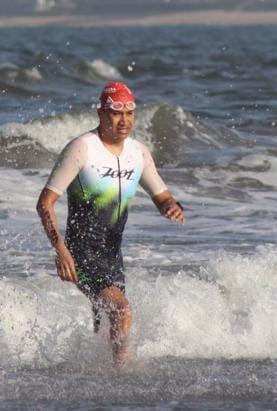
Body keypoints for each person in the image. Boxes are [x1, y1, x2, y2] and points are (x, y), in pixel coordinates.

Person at [36, 81, 185, 365]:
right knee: (121, 310)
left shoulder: (138, 152)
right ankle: (119, 378)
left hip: (112, 254)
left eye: (130, 113)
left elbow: (162, 195)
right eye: (116, 113)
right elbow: (44, 203)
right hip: (81, 252)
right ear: (101, 113)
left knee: (103, 323)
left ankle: (91, 375)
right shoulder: (82, 148)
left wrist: (171, 208)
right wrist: (61, 250)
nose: (124, 120)